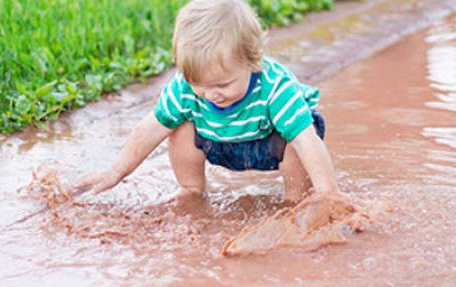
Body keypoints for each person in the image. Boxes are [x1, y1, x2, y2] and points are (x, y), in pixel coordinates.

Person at [75, 0, 346, 204]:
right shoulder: (186, 89)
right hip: (218, 142)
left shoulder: (276, 88)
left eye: (222, 85)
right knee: (177, 125)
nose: (210, 94)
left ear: (253, 62)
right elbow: (150, 128)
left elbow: (306, 140)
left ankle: (295, 199)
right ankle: (190, 189)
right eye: (199, 84)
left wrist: (329, 193)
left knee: (297, 141)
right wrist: (116, 171)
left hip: (270, 143)